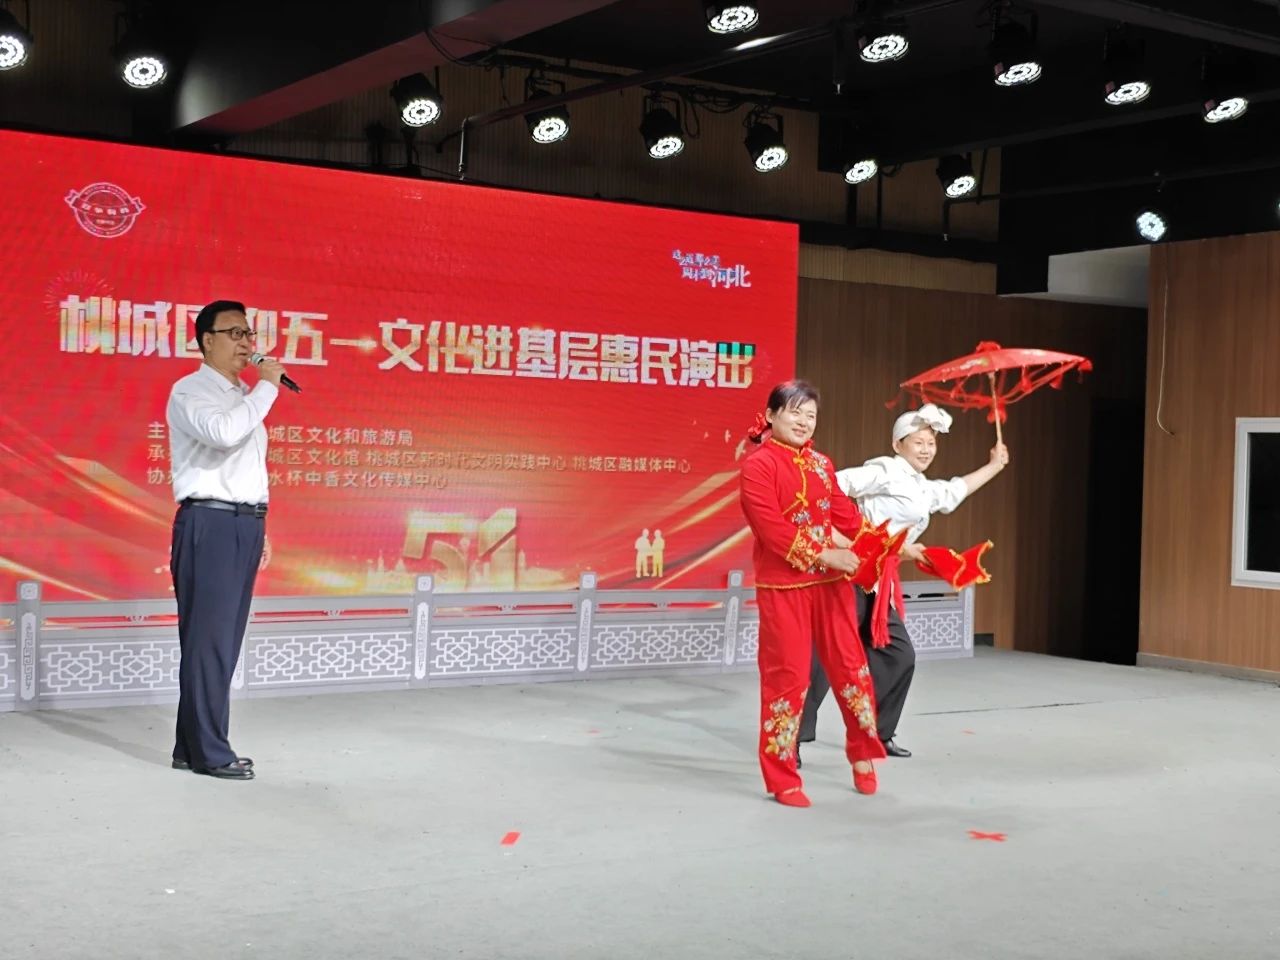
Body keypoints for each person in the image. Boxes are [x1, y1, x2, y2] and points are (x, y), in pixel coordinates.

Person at [797, 403, 1009, 764]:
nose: (926, 449)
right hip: (850, 573)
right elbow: (831, 486)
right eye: (918, 442)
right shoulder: (885, 470)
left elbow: (953, 492)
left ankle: (877, 735)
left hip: (878, 582)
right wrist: (853, 536)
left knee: (898, 655)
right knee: (825, 657)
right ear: (898, 444)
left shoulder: (920, 486)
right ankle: (790, 740)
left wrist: (994, 465)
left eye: (931, 443)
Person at [738, 380, 887, 808]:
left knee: (851, 668)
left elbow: (848, 518)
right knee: (788, 677)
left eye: (811, 415)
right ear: (771, 416)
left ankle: (862, 751)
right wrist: (827, 554)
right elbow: (772, 530)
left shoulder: (822, 464)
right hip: (783, 586)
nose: (804, 422)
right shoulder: (758, 466)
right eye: (795, 412)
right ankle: (782, 775)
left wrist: (889, 545)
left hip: (830, 585)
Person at [167, 299, 287, 780]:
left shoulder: (242, 396)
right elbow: (223, 434)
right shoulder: (191, 391)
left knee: (220, 641)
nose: (246, 343)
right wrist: (268, 387)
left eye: (248, 333)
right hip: (209, 523)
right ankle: (212, 753)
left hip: (241, 524)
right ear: (207, 340)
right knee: (209, 642)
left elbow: (244, 469)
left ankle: (189, 747)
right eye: (234, 333)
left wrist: (258, 522)